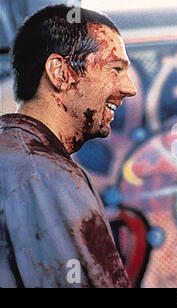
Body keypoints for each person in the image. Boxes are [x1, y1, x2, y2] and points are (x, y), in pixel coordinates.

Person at [0, 5, 136, 288]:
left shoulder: (12, 155)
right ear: (61, 73)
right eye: (116, 69)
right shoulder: (48, 173)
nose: (129, 87)